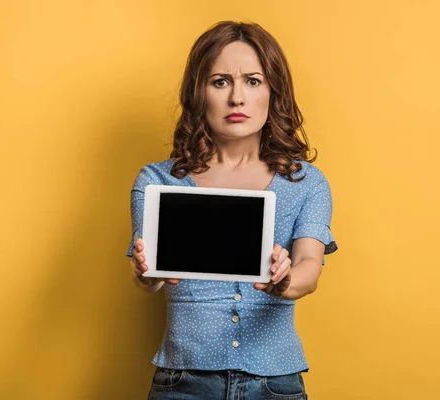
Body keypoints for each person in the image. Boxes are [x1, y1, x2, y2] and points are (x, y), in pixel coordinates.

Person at [127, 21, 338, 400]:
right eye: (220, 81)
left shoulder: (305, 182)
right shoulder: (158, 181)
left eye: (253, 81)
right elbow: (149, 276)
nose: (237, 98)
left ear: (274, 92)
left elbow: (310, 267)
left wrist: (285, 281)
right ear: (198, 92)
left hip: (276, 384)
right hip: (183, 382)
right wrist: (146, 273)